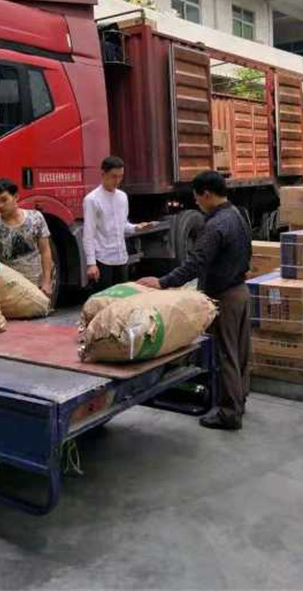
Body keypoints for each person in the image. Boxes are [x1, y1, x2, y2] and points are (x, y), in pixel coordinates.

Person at [138, 170, 252, 431]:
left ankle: (228, 413)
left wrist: (163, 282)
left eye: (197, 198)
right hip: (240, 291)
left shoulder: (215, 225)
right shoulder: (238, 215)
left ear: (207, 194)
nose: (197, 203)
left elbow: (196, 263)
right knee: (241, 351)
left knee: (225, 355)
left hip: (223, 296)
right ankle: (239, 399)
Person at [83, 156, 154, 289]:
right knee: (105, 302)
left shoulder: (122, 197)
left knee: (121, 301)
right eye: (113, 176)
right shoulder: (92, 200)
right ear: (103, 174)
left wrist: (136, 228)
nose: (117, 181)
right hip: (103, 259)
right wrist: (91, 264)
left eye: (120, 176)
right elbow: (88, 234)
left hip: (121, 257)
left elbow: (123, 225)